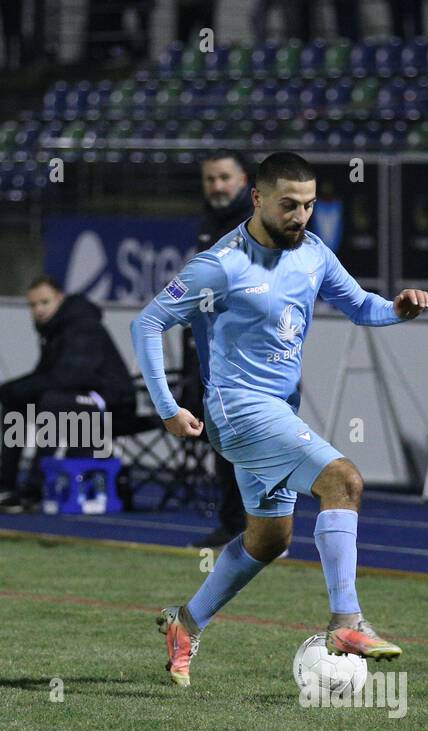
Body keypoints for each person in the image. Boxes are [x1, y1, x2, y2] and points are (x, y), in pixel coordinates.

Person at [131, 151, 428, 688]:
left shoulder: (313, 253)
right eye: (289, 205)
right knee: (344, 480)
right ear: (258, 199)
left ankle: (186, 624)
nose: (301, 216)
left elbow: (363, 306)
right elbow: (148, 323)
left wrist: (398, 309)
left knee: (269, 539)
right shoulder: (220, 265)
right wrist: (167, 408)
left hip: (277, 411)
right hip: (236, 409)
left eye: (310, 205)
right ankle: (347, 623)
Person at [0, 277, 135, 514]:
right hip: (77, 398)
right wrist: (7, 392)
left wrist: (9, 389)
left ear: (60, 299)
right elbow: (46, 375)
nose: (39, 310)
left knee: (52, 403)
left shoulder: (81, 326)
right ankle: (6, 482)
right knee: (16, 404)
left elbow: (69, 377)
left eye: (44, 302)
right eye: (33, 305)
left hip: (113, 404)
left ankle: (35, 487)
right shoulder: (53, 330)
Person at [186, 150, 253, 549]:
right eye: (210, 179)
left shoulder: (256, 224)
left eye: (224, 177)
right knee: (223, 440)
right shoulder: (210, 222)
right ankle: (234, 524)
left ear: (244, 179)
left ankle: (262, 530)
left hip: (247, 352)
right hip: (211, 350)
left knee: (250, 440)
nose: (217, 186)